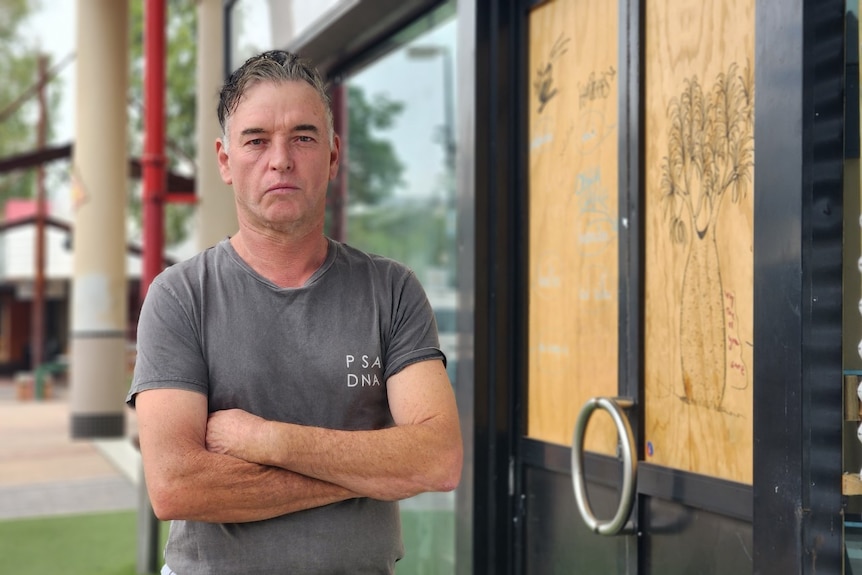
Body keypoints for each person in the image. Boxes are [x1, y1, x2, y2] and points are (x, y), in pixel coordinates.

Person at [127, 50, 463, 574]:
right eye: (256, 140)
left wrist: (268, 440)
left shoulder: (391, 289)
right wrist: (367, 471)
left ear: (332, 156)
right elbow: (177, 487)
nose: (280, 159)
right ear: (224, 160)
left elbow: (437, 458)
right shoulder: (180, 297)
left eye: (303, 138)